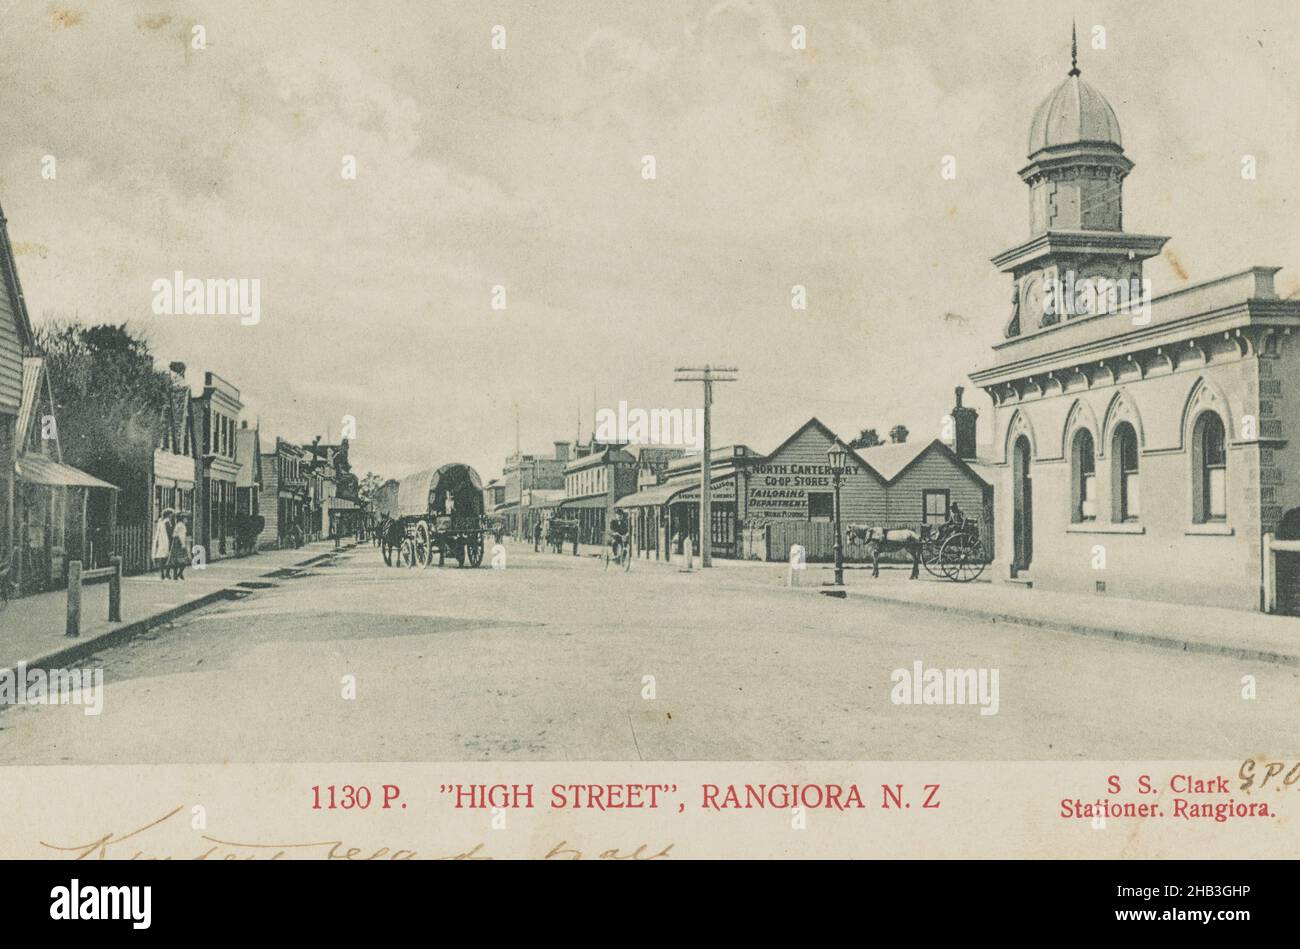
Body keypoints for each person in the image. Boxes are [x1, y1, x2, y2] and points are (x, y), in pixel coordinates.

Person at [153, 509, 174, 580]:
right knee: (168, 558)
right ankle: (167, 574)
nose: (172, 516)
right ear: (168, 515)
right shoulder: (167, 522)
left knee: (161, 558)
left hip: (161, 542)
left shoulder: (160, 522)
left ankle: (162, 574)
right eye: (171, 514)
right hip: (167, 542)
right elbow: (169, 533)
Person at [170, 513, 190, 580]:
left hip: (175, 543)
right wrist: (183, 544)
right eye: (186, 519)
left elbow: (174, 534)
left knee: (176, 560)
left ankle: (175, 575)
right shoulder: (182, 526)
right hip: (180, 543)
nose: (187, 520)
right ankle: (180, 573)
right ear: (183, 519)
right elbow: (181, 536)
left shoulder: (177, 525)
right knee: (184, 560)